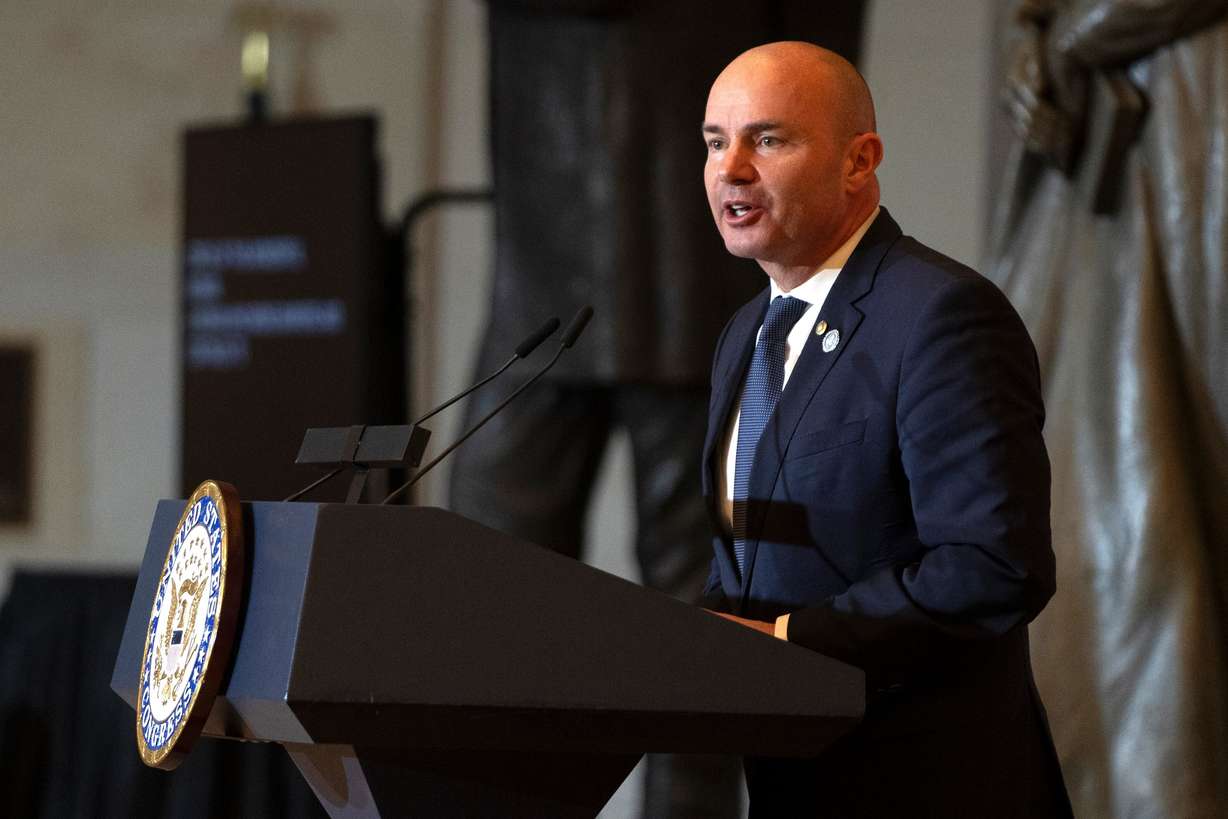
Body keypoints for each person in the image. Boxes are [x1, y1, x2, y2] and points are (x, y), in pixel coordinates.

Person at [698, 42, 1073, 817]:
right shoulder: (745, 334)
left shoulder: (940, 316)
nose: (731, 168)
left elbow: (992, 566)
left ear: (858, 160)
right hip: (789, 781)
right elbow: (751, 555)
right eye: (714, 142)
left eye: (767, 139)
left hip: (929, 784)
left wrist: (785, 639)